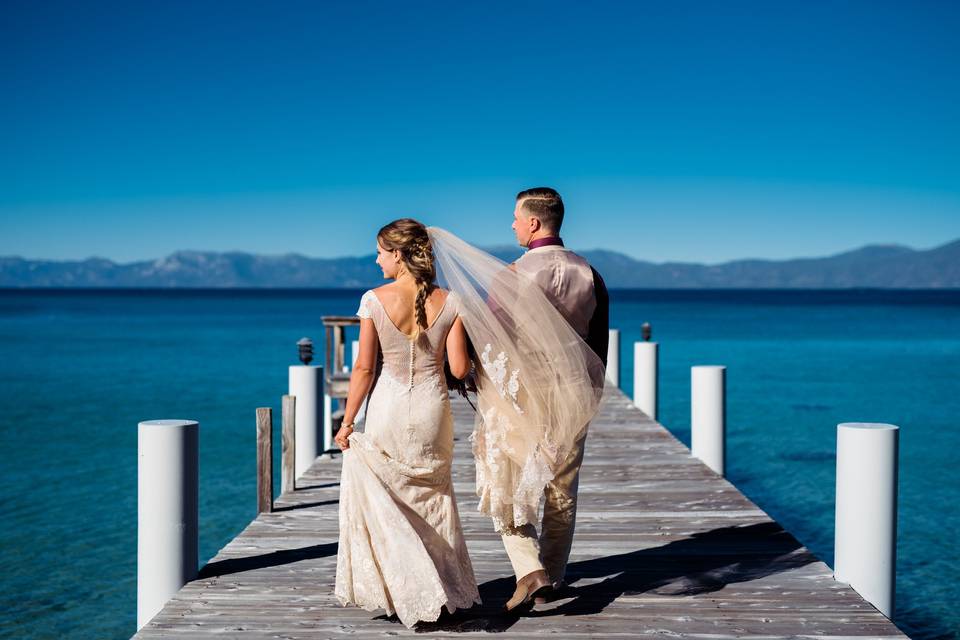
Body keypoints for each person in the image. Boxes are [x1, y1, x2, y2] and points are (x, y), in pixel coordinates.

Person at [333, 218, 480, 628]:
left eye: (380, 251)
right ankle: (440, 590)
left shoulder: (374, 300)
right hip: (433, 409)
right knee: (433, 499)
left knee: (391, 500)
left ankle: (408, 591)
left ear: (397, 254)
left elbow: (363, 370)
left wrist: (347, 423)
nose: (376, 258)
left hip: (389, 409)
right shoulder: (451, 302)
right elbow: (459, 366)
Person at [500, 187, 609, 609]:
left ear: (532, 221)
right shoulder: (591, 273)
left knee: (510, 481)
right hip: (573, 389)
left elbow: (494, 337)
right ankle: (555, 575)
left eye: (514, 216)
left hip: (524, 391)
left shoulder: (513, 273)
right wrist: (591, 393)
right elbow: (598, 344)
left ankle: (530, 568)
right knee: (562, 486)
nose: (511, 224)